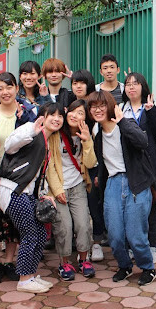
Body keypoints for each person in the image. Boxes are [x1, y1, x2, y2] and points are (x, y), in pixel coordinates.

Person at [87, 90, 156, 286]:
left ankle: (147, 268)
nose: (98, 110)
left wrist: (123, 122)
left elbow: (142, 141)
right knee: (115, 235)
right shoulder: (97, 134)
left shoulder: (125, 124)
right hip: (113, 183)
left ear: (110, 106)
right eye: (93, 107)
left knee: (135, 234)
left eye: (102, 105)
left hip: (136, 182)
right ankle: (124, 266)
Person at [0, 103, 64, 293]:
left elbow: (38, 176)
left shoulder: (46, 142)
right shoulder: (30, 130)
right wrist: (30, 131)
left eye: (60, 116)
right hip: (13, 190)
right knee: (30, 234)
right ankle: (24, 279)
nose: (56, 119)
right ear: (42, 117)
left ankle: (31, 275)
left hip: (27, 194)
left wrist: (44, 196)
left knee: (41, 234)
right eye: (52, 115)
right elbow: (9, 146)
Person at [0, 72, 35, 283]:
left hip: (17, 178)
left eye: (9, 87)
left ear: (17, 89)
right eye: (0, 88)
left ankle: (10, 261)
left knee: (13, 221)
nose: (5, 92)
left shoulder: (26, 113)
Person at [122, 72, 156, 264]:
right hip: (129, 166)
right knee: (129, 208)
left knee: (151, 207)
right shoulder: (121, 109)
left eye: (136, 83)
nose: (132, 87)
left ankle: (153, 246)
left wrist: (151, 112)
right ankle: (131, 246)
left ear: (143, 87)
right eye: (128, 84)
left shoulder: (154, 106)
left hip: (151, 166)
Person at [51, 100, 97, 280]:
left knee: (83, 224)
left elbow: (91, 163)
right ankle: (64, 263)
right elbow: (49, 165)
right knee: (64, 226)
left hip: (78, 185)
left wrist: (87, 141)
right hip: (59, 187)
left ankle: (84, 260)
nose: (74, 116)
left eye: (80, 113)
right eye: (72, 111)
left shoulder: (86, 134)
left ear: (85, 119)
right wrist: (56, 190)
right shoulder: (56, 134)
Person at [70, 69, 106, 261]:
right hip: (73, 169)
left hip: (92, 167)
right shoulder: (70, 105)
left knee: (94, 206)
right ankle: (80, 245)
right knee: (78, 210)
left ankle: (97, 242)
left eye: (82, 83)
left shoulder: (94, 109)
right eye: (75, 83)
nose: (78, 86)